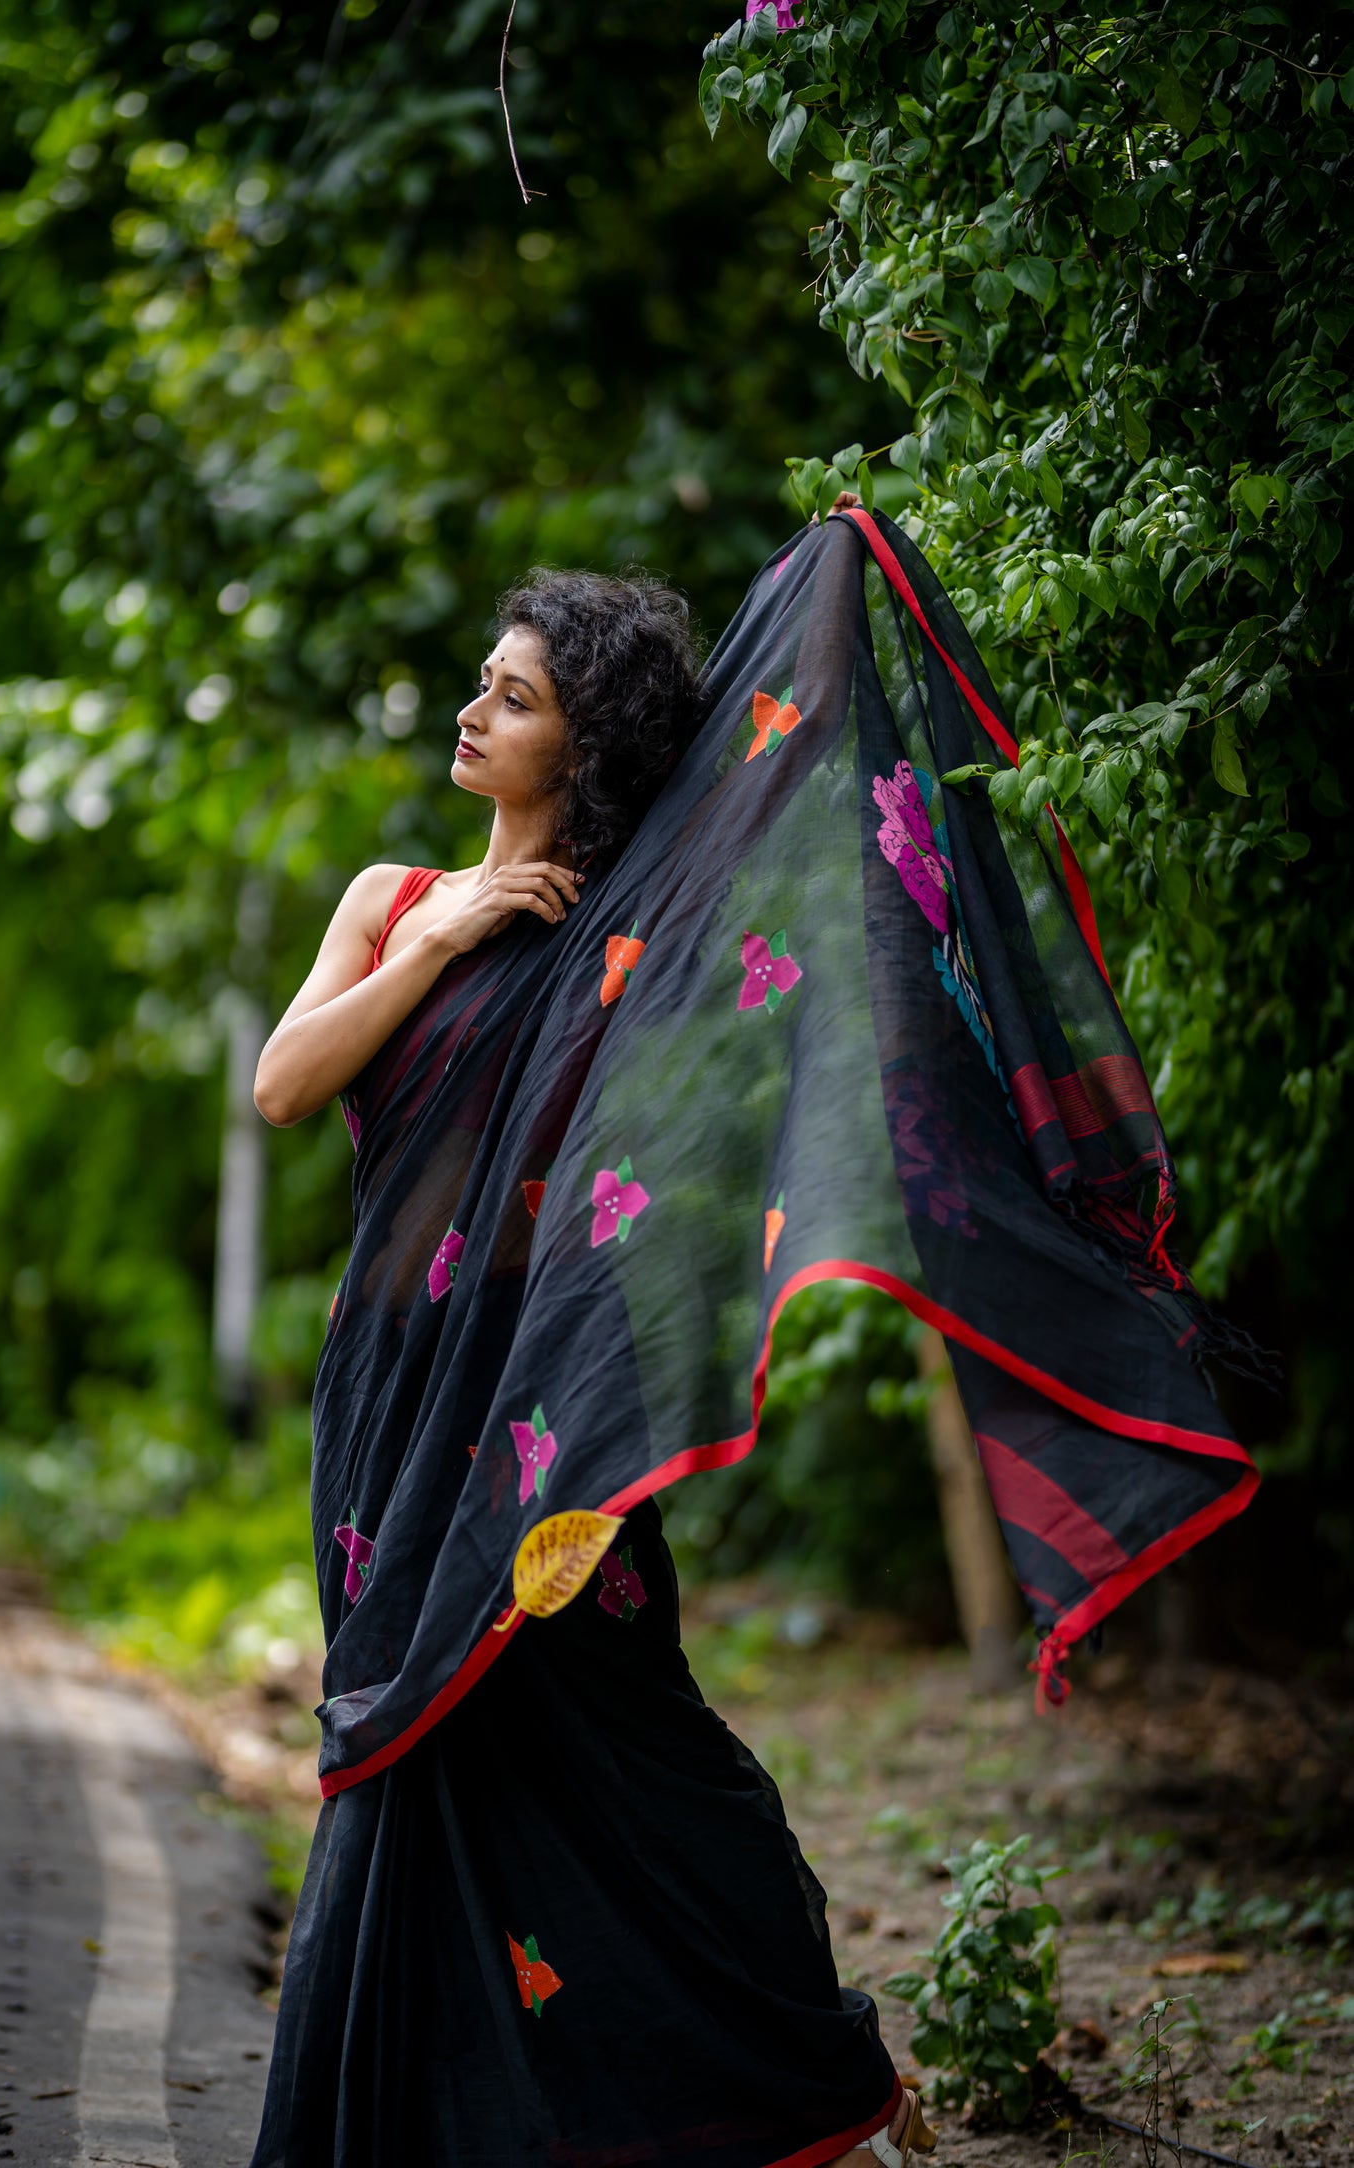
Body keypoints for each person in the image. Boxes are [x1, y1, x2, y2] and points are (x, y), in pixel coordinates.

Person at [248, 504, 1255, 2167]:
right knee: (405, 1738)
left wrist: (839, 579)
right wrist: (440, 937)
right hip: (391, 1407)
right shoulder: (392, 895)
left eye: (511, 698)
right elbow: (286, 1087)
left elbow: (785, 833)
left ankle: (790, 2077)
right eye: (481, 685)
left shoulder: (618, 938)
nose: (470, 713)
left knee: (625, 1729)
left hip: (553, 1395)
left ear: (585, 746)